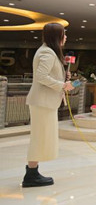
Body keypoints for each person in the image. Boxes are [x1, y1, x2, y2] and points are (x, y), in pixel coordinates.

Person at [23, 23, 74, 188]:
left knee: (41, 137)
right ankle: (31, 175)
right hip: (42, 102)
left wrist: (63, 76)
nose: (66, 37)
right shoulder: (47, 52)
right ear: (57, 36)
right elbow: (41, 76)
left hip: (45, 103)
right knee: (39, 137)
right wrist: (62, 85)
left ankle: (33, 171)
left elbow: (46, 74)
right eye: (64, 34)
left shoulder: (48, 52)